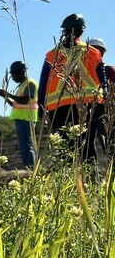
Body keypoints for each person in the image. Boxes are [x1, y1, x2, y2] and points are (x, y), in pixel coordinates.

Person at [38, 14, 106, 165]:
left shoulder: (52, 54)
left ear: (64, 31)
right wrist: (105, 97)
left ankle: (70, 184)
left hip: (59, 108)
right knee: (87, 147)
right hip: (90, 104)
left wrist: (40, 109)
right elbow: (103, 78)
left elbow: (43, 84)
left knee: (64, 150)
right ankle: (91, 183)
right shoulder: (92, 51)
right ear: (82, 32)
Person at [0, 61, 38, 168]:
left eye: (14, 74)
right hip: (21, 119)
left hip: (26, 118)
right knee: (24, 146)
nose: (13, 77)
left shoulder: (30, 83)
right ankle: (28, 168)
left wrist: (7, 94)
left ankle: (31, 170)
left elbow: (25, 100)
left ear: (21, 72)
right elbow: (15, 104)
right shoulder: (21, 86)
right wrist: (4, 96)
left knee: (27, 146)